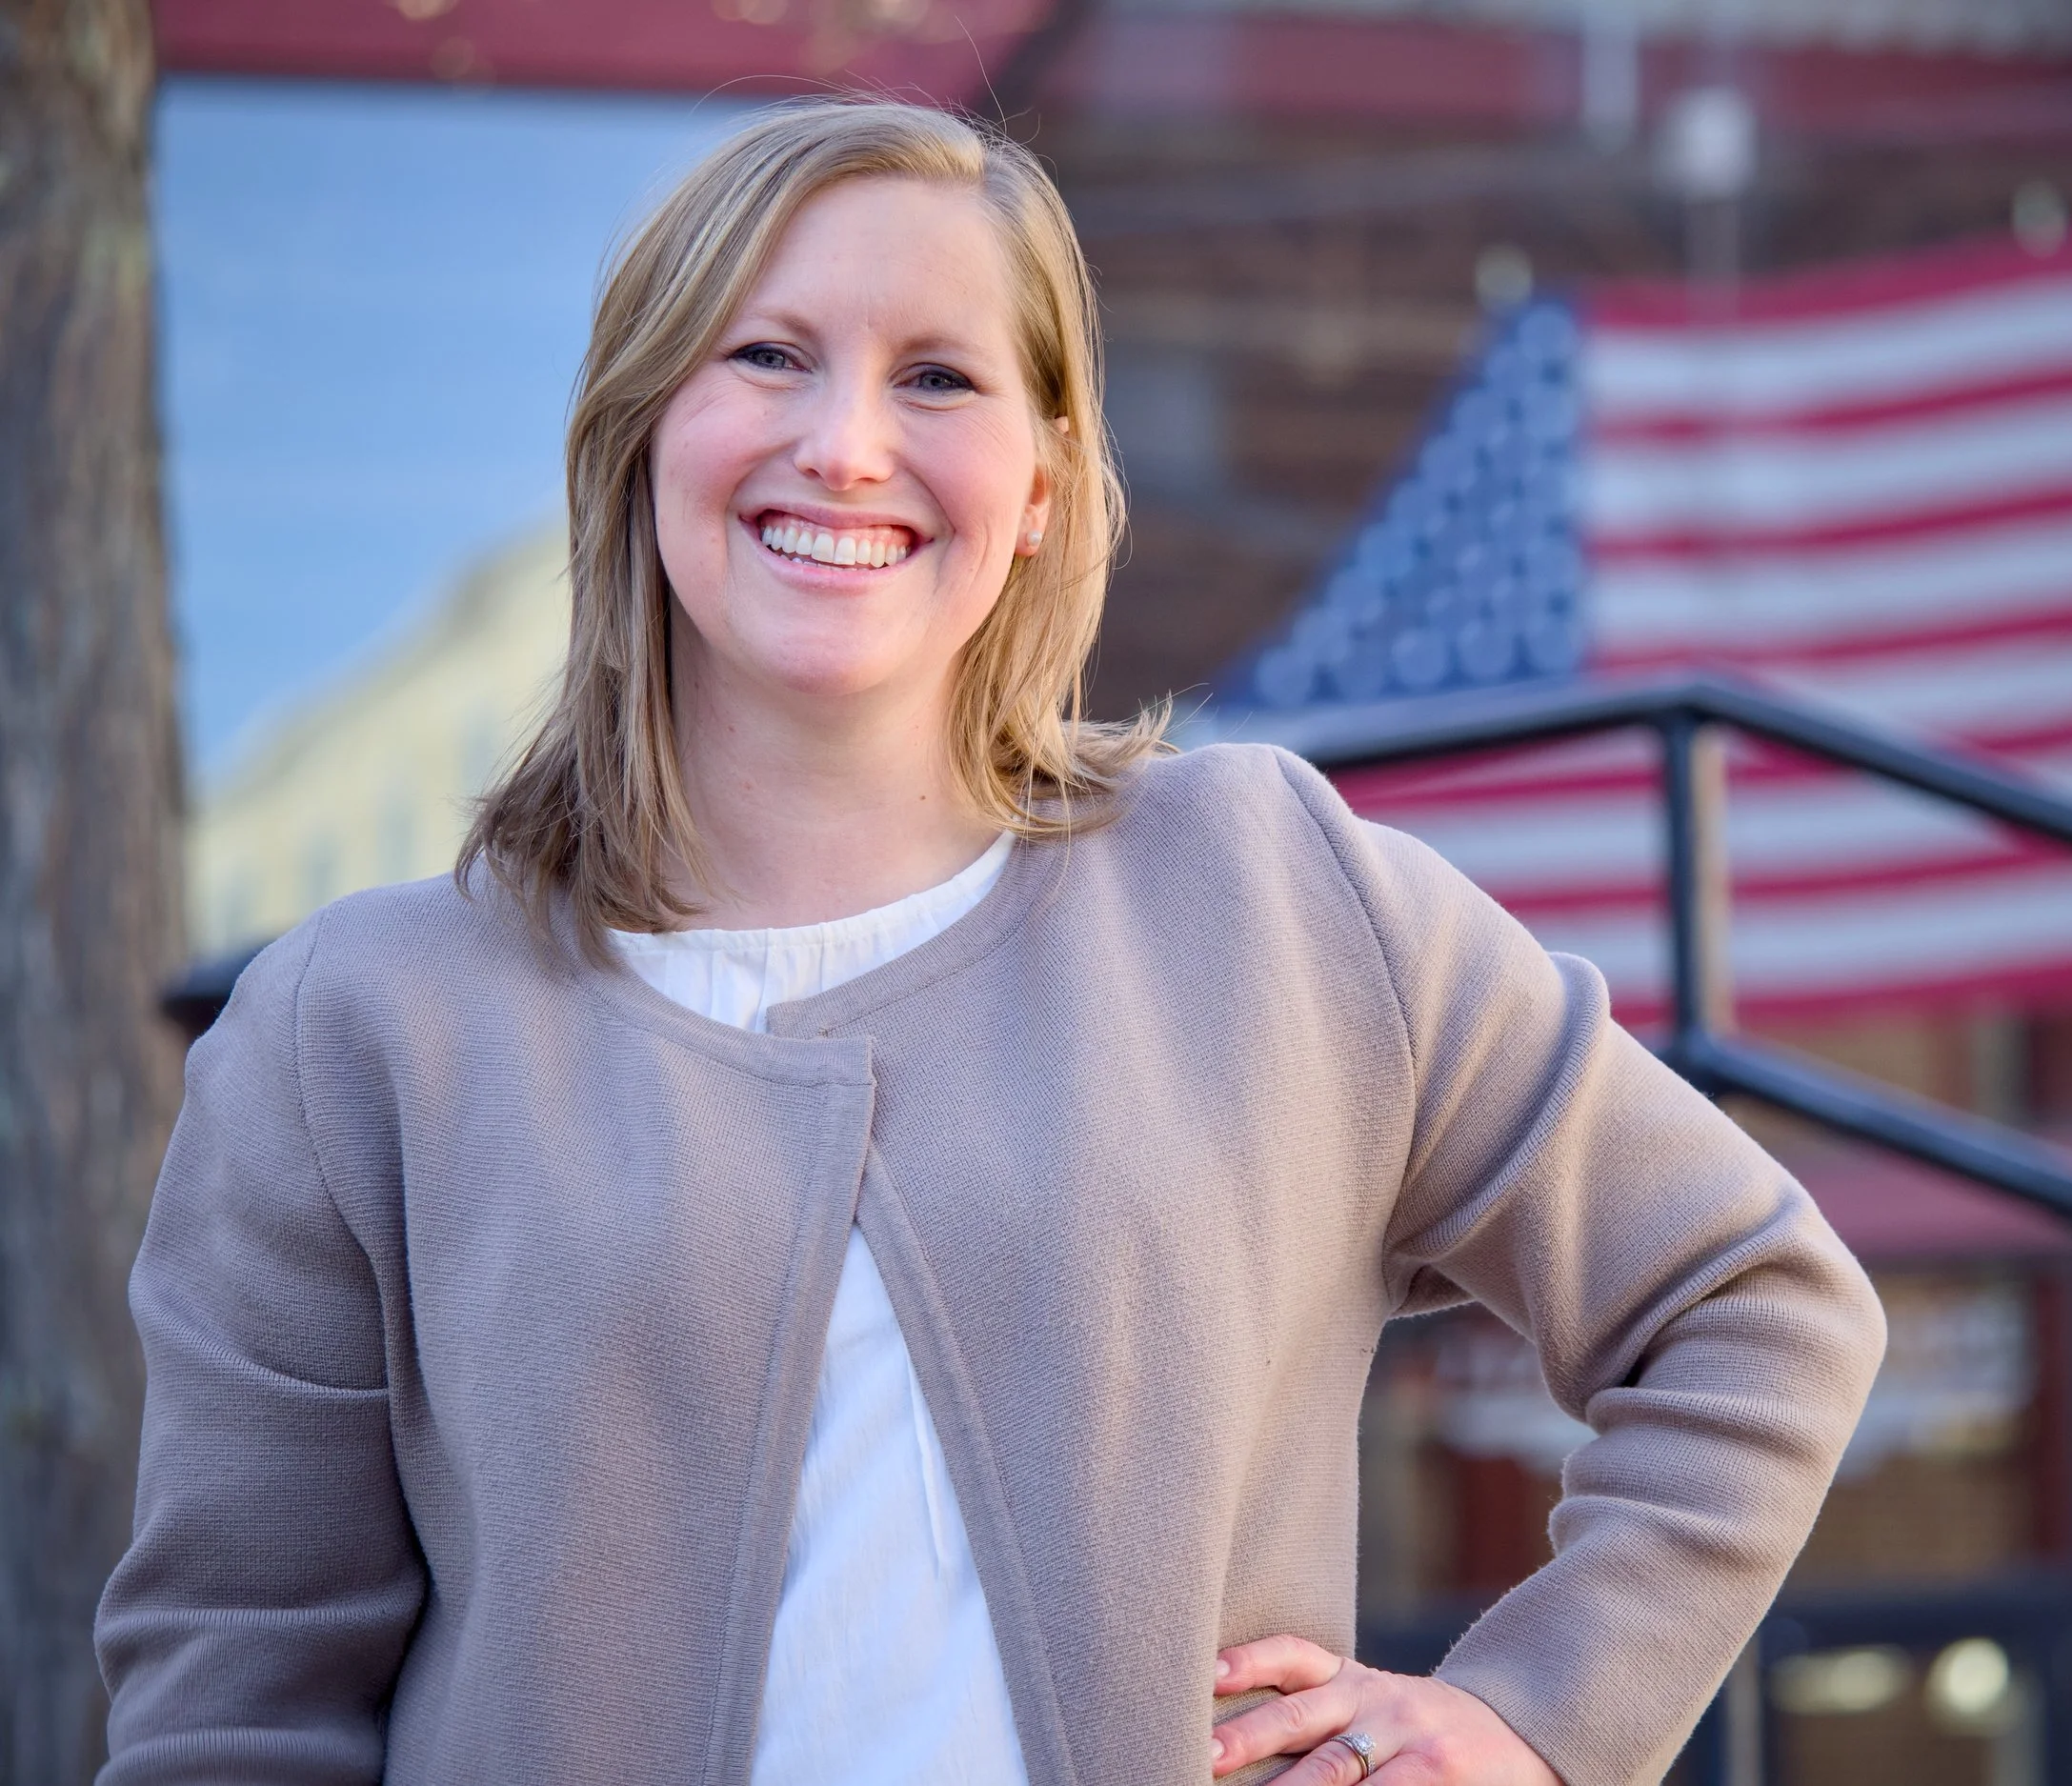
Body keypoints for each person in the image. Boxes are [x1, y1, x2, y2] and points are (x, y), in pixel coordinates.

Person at [96, 99, 1885, 1786]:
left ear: (1041, 482)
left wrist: (1538, 1713)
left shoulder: (1276, 895)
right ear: (646, 430)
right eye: (768, 354)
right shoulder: (352, 1034)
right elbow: (236, 1687)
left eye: (938, 375)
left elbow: (1755, 1303)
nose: (846, 442)